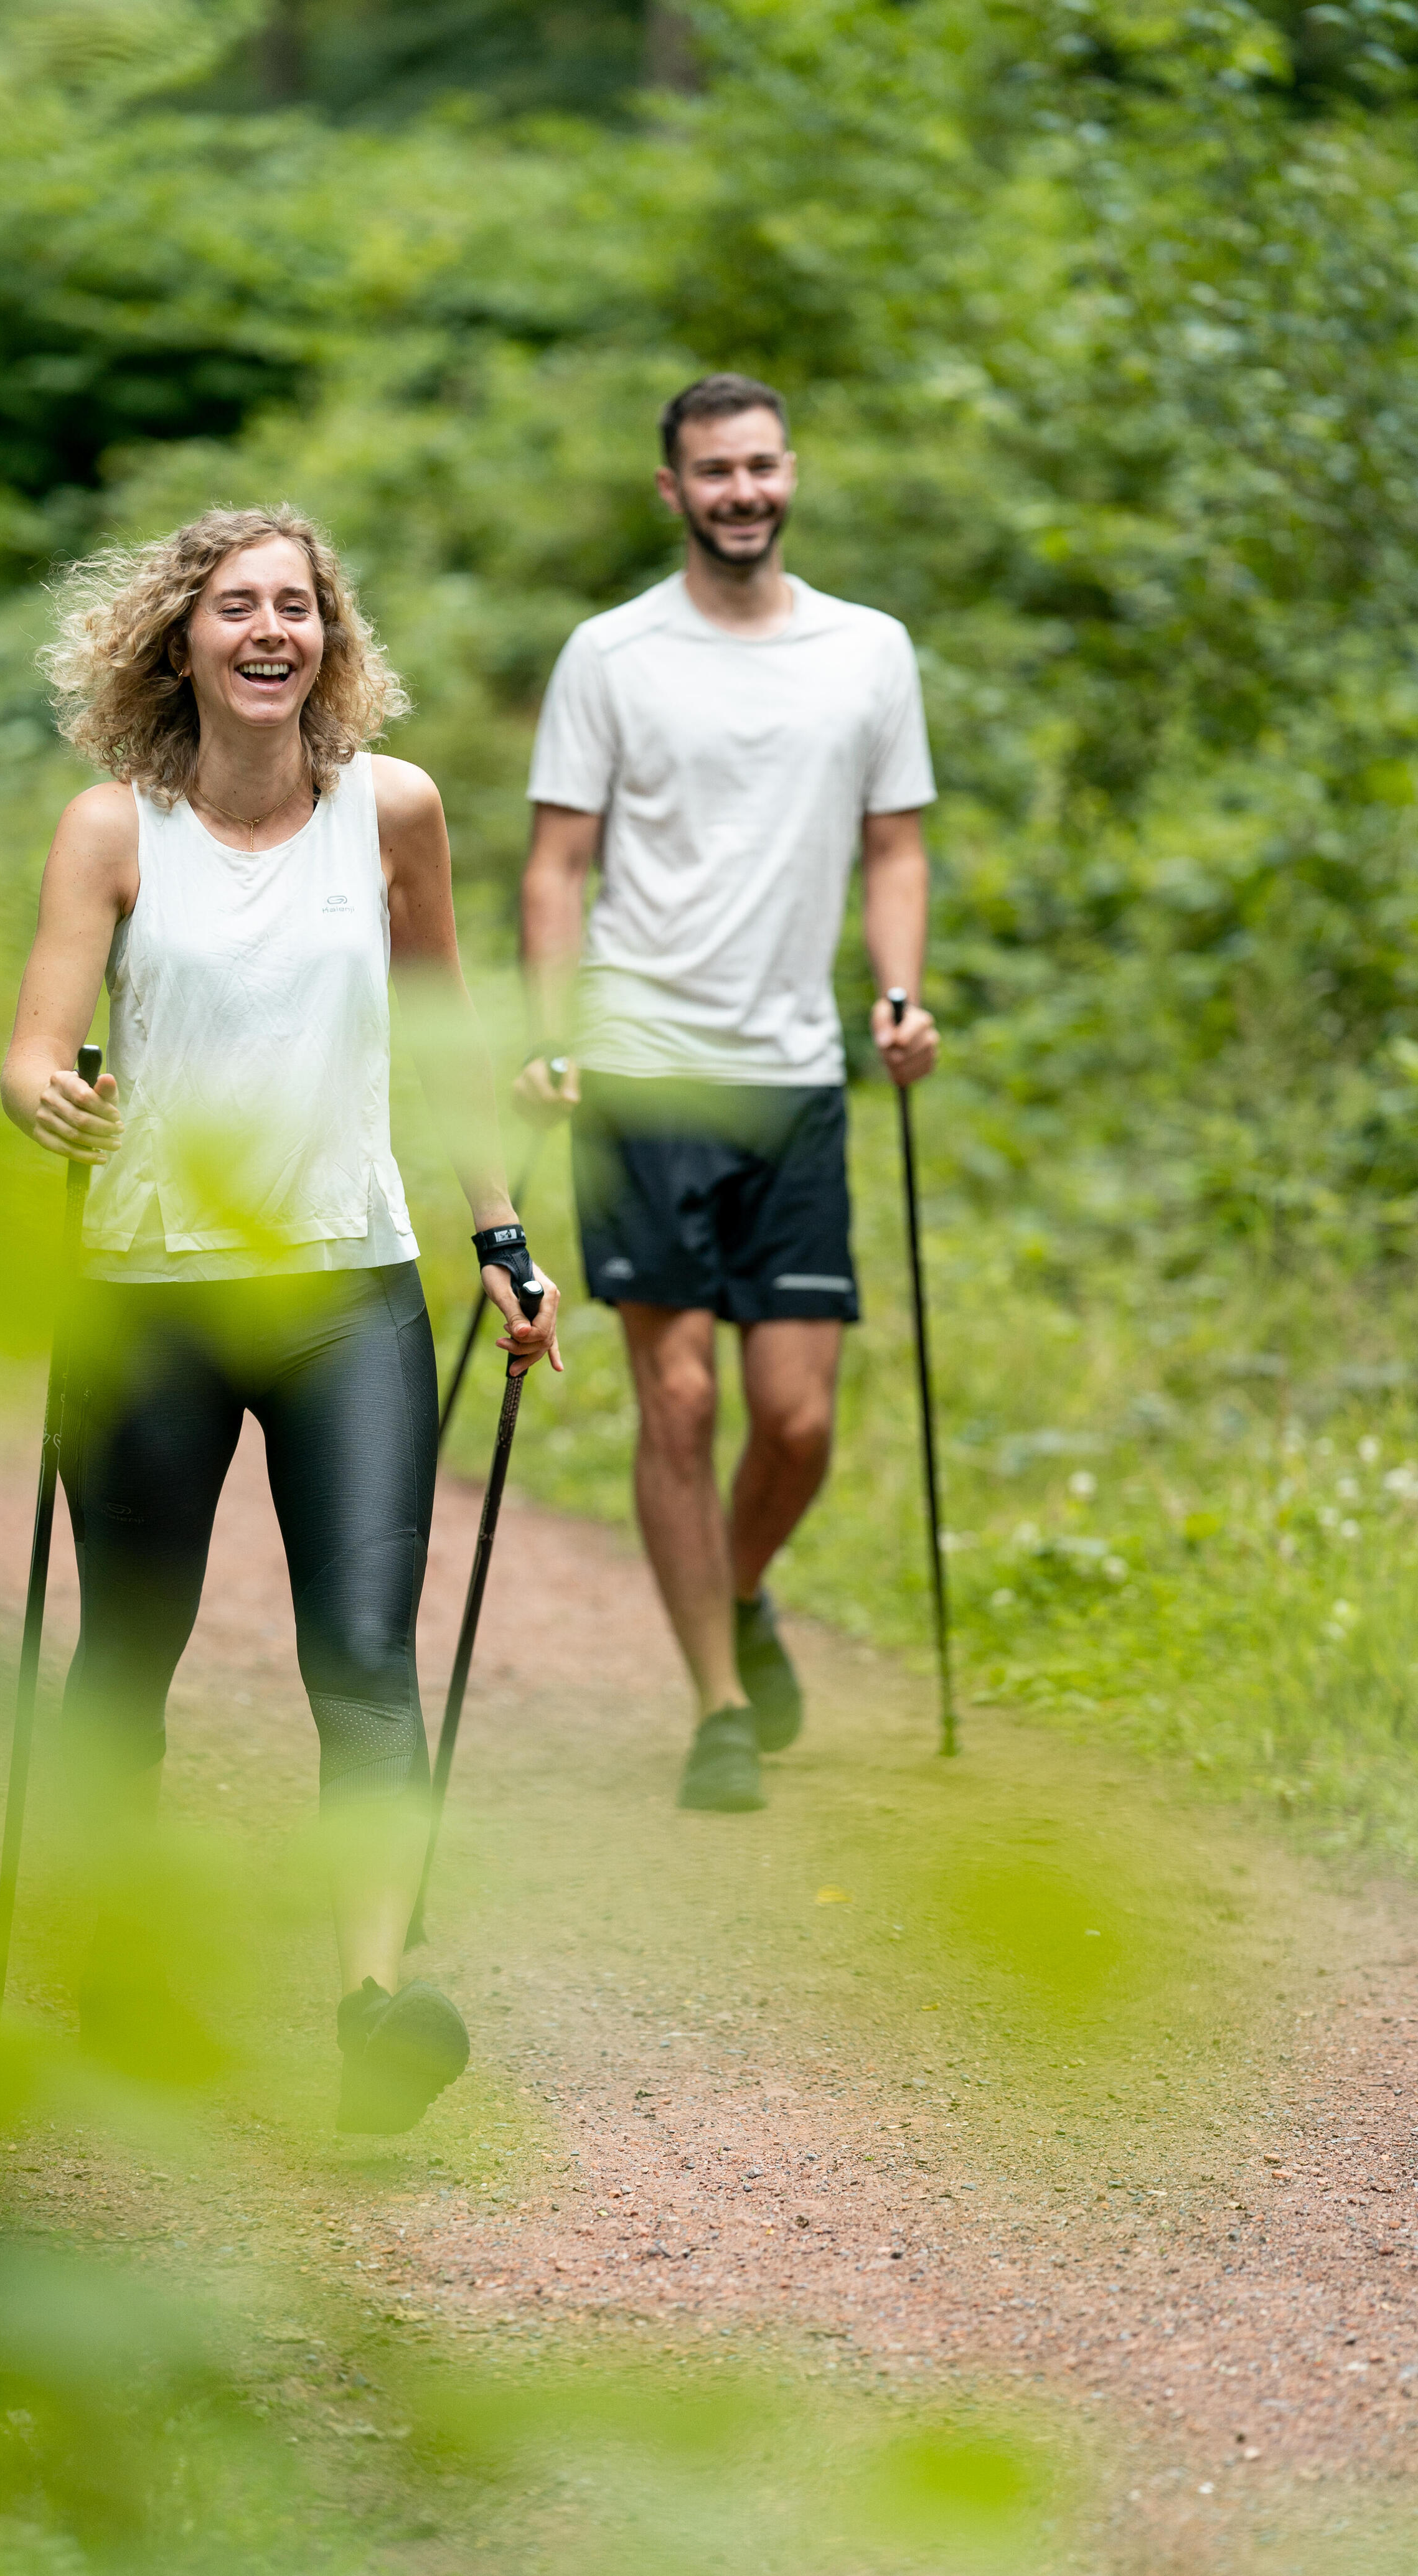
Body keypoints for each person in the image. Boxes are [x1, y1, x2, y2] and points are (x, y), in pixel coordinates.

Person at [2, 504, 561, 2132]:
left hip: (346, 1289)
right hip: (149, 1291)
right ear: (176, 638)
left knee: (366, 1659)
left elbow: (452, 1036)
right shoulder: (112, 830)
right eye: (237, 607)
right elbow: (36, 1046)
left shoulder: (392, 812)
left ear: (331, 638)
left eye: (298, 607)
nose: (270, 632)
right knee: (126, 1656)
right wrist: (52, 1101)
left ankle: (375, 2013)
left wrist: (504, 1234)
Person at [515, 372, 939, 1815]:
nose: (741, 492)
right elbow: (557, 863)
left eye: (761, 467)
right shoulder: (612, 655)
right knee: (679, 1397)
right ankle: (715, 1711)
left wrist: (897, 988)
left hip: (794, 1072)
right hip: (643, 1062)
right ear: (672, 491)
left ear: (791, 473)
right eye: (714, 472)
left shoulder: (868, 651)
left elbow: (896, 846)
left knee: (800, 1420)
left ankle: (734, 1594)